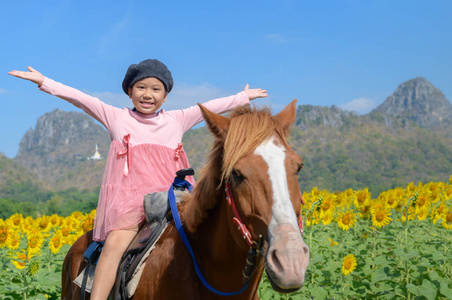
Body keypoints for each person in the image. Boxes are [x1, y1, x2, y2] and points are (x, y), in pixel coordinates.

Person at [9, 59, 268, 300]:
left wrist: (242, 97)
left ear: (165, 96)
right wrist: (44, 81)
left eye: (156, 89)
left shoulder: (177, 120)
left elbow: (209, 108)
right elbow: (81, 99)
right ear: (129, 92)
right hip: (131, 204)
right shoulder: (117, 118)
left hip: (173, 199)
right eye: (141, 87)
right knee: (114, 245)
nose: (148, 94)